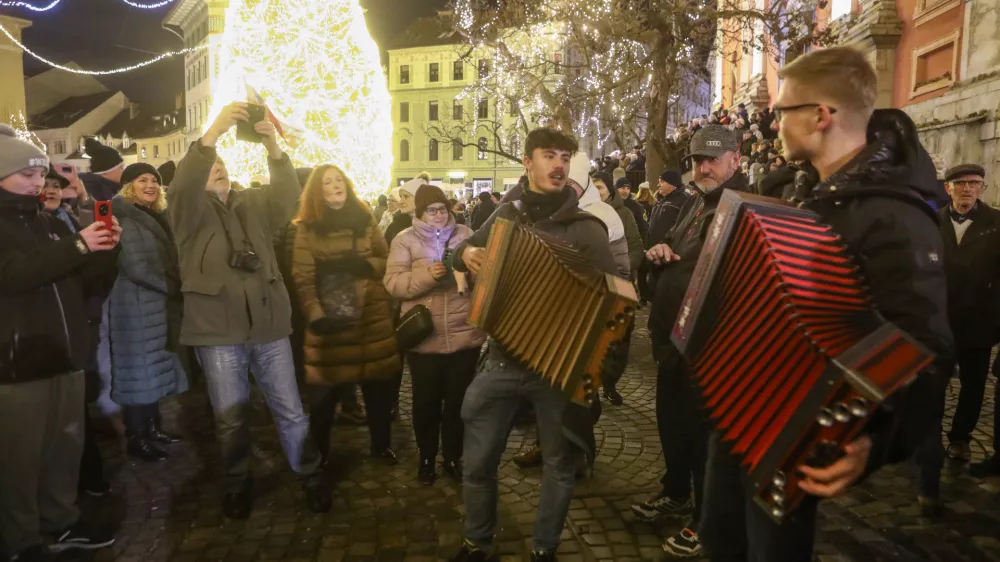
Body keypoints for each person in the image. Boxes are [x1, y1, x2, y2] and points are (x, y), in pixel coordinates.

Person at [699, 46, 952, 562]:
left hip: (797, 424)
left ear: (820, 116)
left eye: (782, 112)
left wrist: (876, 443)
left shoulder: (895, 216)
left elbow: (927, 347)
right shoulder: (803, 190)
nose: (772, 126)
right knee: (721, 537)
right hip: (746, 405)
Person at [449, 128, 617, 562]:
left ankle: (545, 549)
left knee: (558, 467)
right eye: (548, 156)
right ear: (528, 162)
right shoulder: (507, 213)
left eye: (565, 157)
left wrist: (594, 368)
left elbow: (619, 302)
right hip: (503, 358)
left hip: (555, 369)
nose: (558, 165)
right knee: (478, 462)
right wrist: (465, 255)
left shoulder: (587, 230)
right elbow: (464, 249)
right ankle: (476, 542)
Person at [167, 102, 331, 520]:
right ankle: (237, 484)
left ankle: (309, 476)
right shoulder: (186, 212)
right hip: (217, 332)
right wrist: (212, 135)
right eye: (210, 164)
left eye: (221, 162)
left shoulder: (252, 203)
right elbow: (183, 184)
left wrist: (274, 145)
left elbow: (288, 197)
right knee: (230, 418)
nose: (217, 166)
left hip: (270, 326)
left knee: (291, 411)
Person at [0, 124, 120, 560]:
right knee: (18, 460)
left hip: (64, 356)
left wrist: (104, 251)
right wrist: (77, 247)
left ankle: (62, 521)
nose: (39, 182)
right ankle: (20, 540)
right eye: (26, 174)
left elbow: (78, 282)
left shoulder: (47, 223)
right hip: (17, 366)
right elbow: (15, 274)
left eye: (40, 174)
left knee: (63, 452)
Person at [637, 125, 750, 557]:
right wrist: (660, 249)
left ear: (735, 160)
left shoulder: (742, 207)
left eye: (712, 159)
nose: (702, 166)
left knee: (706, 437)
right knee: (674, 425)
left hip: (708, 346)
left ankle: (708, 518)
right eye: (697, 160)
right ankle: (676, 492)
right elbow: (677, 245)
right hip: (672, 339)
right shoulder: (697, 201)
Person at [291, 164, 402, 468]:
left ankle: (381, 446)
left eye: (339, 179)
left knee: (378, 391)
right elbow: (302, 276)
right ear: (318, 190)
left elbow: (385, 257)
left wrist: (367, 268)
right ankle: (321, 455)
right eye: (328, 182)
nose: (335, 185)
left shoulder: (365, 217)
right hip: (330, 322)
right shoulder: (307, 226)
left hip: (370, 319)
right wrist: (315, 313)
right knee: (323, 400)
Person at [384, 184, 486, 484]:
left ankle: (453, 456)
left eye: (443, 208)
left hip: (463, 335)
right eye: (432, 210)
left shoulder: (466, 235)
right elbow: (393, 283)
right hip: (424, 338)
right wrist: (427, 275)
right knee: (425, 403)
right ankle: (427, 456)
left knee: (458, 404)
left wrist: (470, 272)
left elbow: (486, 275)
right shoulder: (404, 240)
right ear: (420, 213)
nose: (439, 215)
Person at [108, 163, 189, 463]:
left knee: (152, 370)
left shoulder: (152, 215)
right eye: (142, 180)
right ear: (129, 185)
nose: (151, 185)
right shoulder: (125, 218)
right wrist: (174, 286)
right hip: (136, 307)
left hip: (155, 305)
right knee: (139, 374)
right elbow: (136, 266)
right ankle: (137, 438)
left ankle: (153, 428)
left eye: (154, 180)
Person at [42, 168, 112, 499]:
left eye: (55, 185)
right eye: (44, 185)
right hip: (49, 334)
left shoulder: (65, 220)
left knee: (77, 404)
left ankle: (87, 476)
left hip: (78, 318)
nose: (50, 189)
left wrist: (106, 251)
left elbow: (91, 274)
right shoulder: (38, 228)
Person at [934, 163, 1000, 477]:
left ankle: (960, 437)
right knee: (933, 381)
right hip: (938, 319)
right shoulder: (930, 221)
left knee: (973, 385)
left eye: (974, 183)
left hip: (978, 319)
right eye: (959, 183)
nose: (967, 189)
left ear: (982, 187)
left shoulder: (996, 222)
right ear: (947, 187)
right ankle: (927, 437)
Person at [593, 172, 645, 405]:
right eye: (592, 188)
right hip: (593, 286)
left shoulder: (623, 213)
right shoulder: (583, 213)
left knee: (620, 337)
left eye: (600, 188)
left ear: (610, 190)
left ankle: (610, 381)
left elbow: (636, 247)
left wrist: (622, 272)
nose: (596, 193)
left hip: (620, 283)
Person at [80, 138, 124, 202]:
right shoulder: (99, 194)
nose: (124, 170)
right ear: (105, 172)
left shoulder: (111, 190)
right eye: (120, 167)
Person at [386, 179, 419, 245]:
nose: (401, 201)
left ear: (419, 198)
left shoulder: (433, 224)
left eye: (406, 196)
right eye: (401, 197)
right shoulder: (395, 225)